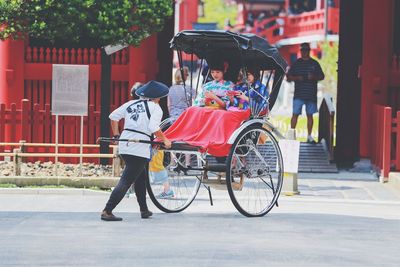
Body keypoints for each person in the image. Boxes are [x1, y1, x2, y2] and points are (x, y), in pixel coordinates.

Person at [101, 80, 172, 221]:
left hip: (125, 144)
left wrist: (116, 135)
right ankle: (107, 210)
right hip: (139, 148)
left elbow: (113, 117)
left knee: (141, 177)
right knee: (126, 181)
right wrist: (165, 140)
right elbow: (153, 127)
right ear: (157, 97)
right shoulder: (156, 108)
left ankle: (144, 210)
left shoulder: (130, 104)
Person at [286, 42, 325, 144]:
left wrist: (314, 77)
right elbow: (288, 77)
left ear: (309, 51)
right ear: (301, 51)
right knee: (295, 115)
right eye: (303, 50)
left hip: (311, 95)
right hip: (298, 94)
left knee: (310, 115)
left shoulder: (314, 63)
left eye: (306, 50)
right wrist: (296, 78)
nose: (304, 52)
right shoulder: (296, 63)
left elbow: (322, 76)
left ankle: (309, 136)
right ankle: (291, 136)